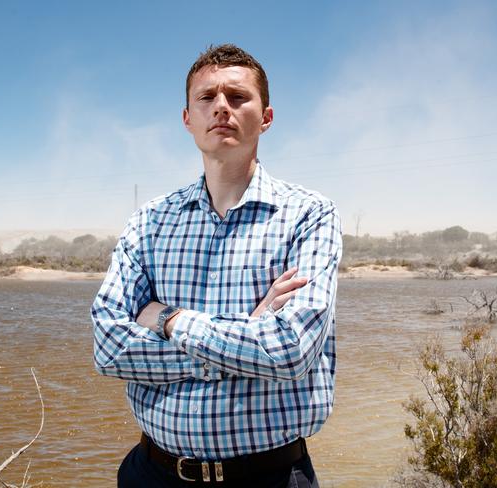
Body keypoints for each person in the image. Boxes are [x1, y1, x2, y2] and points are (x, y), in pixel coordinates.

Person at [91, 44, 342, 487]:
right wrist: (246, 334)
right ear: (188, 118)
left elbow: (289, 350)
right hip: (154, 473)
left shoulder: (309, 214)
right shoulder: (149, 221)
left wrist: (168, 320)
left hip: (270, 475)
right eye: (207, 98)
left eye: (238, 97)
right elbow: (109, 347)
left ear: (265, 117)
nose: (221, 108)